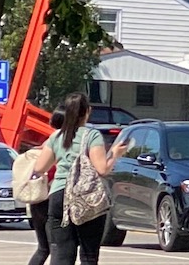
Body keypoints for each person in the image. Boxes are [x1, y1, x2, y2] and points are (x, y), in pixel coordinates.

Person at [30, 94, 129, 265]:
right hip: (86, 197)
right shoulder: (92, 136)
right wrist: (115, 154)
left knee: (61, 253)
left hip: (59, 196)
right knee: (88, 255)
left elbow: (39, 168)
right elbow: (102, 169)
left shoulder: (56, 137)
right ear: (87, 112)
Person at [24, 109, 65, 265]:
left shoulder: (42, 146)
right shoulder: (59, 144)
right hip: (51, 198)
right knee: (56, 247)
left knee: (43, 248)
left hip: (36, 197)